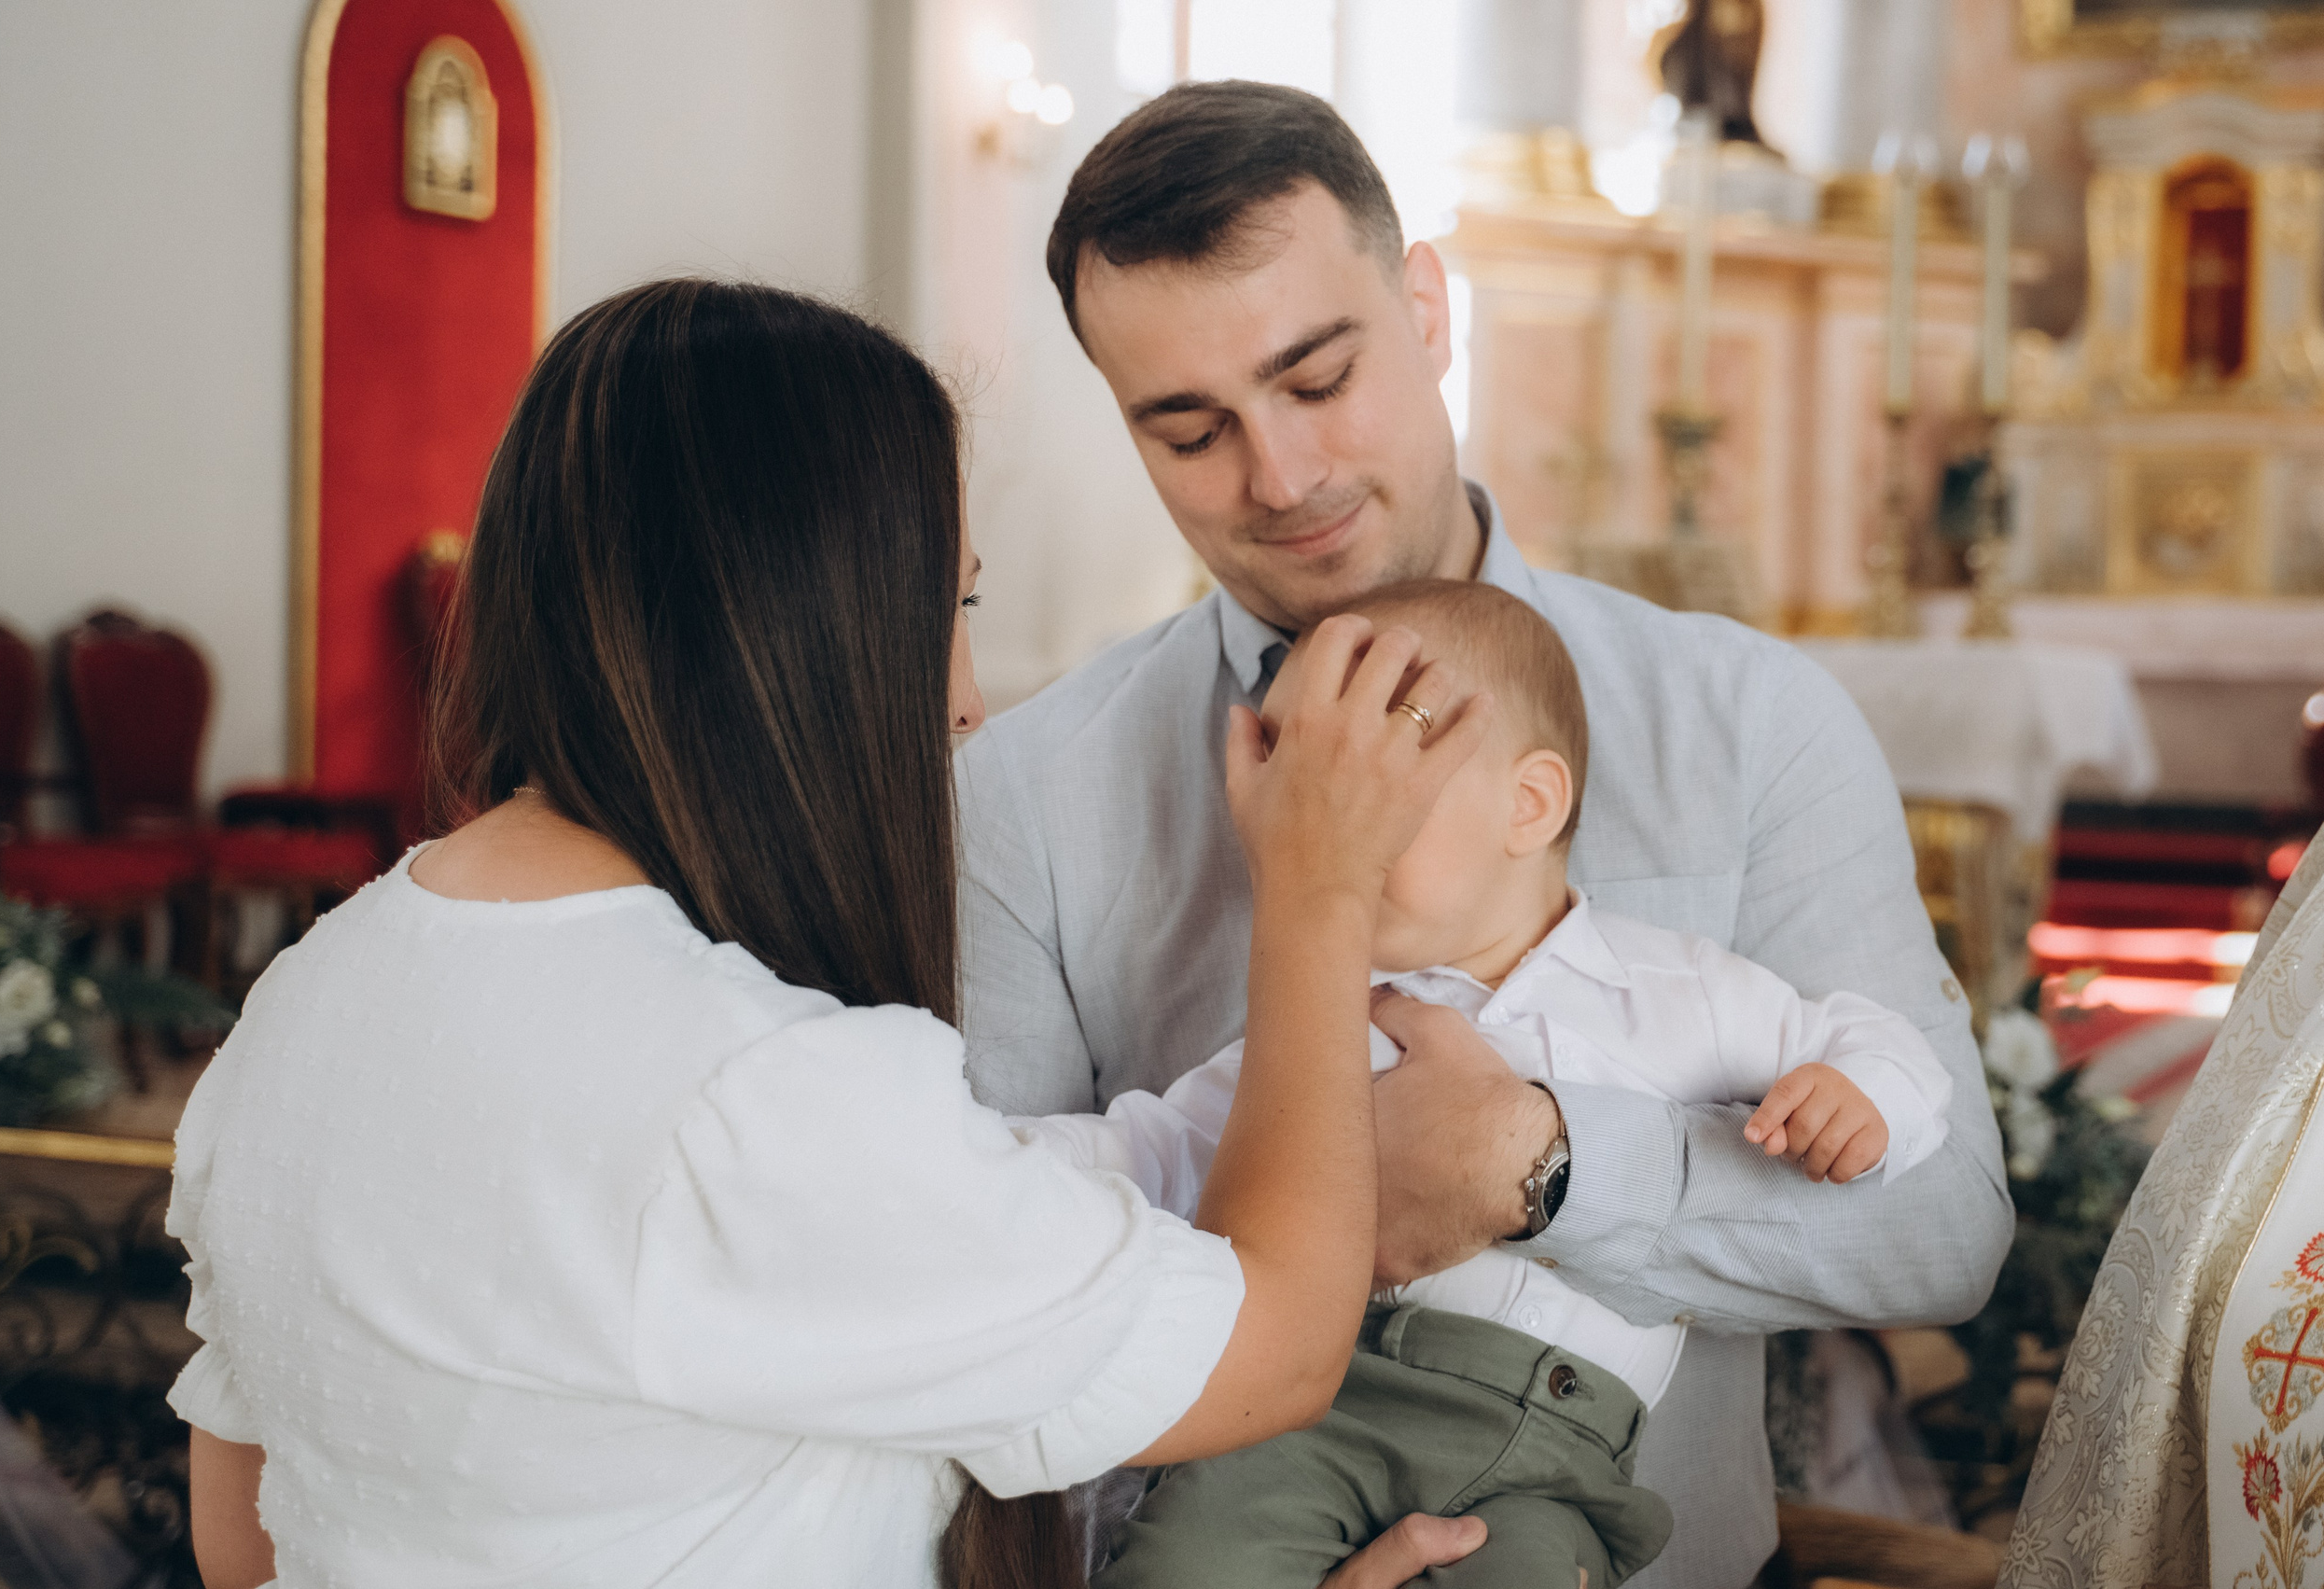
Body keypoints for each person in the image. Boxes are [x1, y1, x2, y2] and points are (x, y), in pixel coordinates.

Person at [168, 277, 1505, 1589]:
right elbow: (1273, 1347)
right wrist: (1321, 889)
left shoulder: (304, 998)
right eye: (952, 611)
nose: (971, 701)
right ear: (808, 623)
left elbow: (247, 1541)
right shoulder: (752, 1093)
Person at [956, 81, 2015, 1587]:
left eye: (1318, 378)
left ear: (1429, 309)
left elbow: (1945, 1226)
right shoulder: (1029, 797)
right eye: (1190, 429)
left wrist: (1558, 1164)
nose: (1283, 476)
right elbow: (1000, 1277)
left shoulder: (1745, 717)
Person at [1022, 581, 1955, 1589]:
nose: (1317, 822)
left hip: (1556, 1453)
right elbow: (1159, 1145)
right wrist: (988, 1156)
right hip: (1322, 1409)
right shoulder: (1321, 1020)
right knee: (1187, 1557)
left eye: (1371, 783)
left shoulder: (1680, 991)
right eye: (1291, 785)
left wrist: (1857, 1099)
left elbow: (1888, 1049)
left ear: (1529, 803)